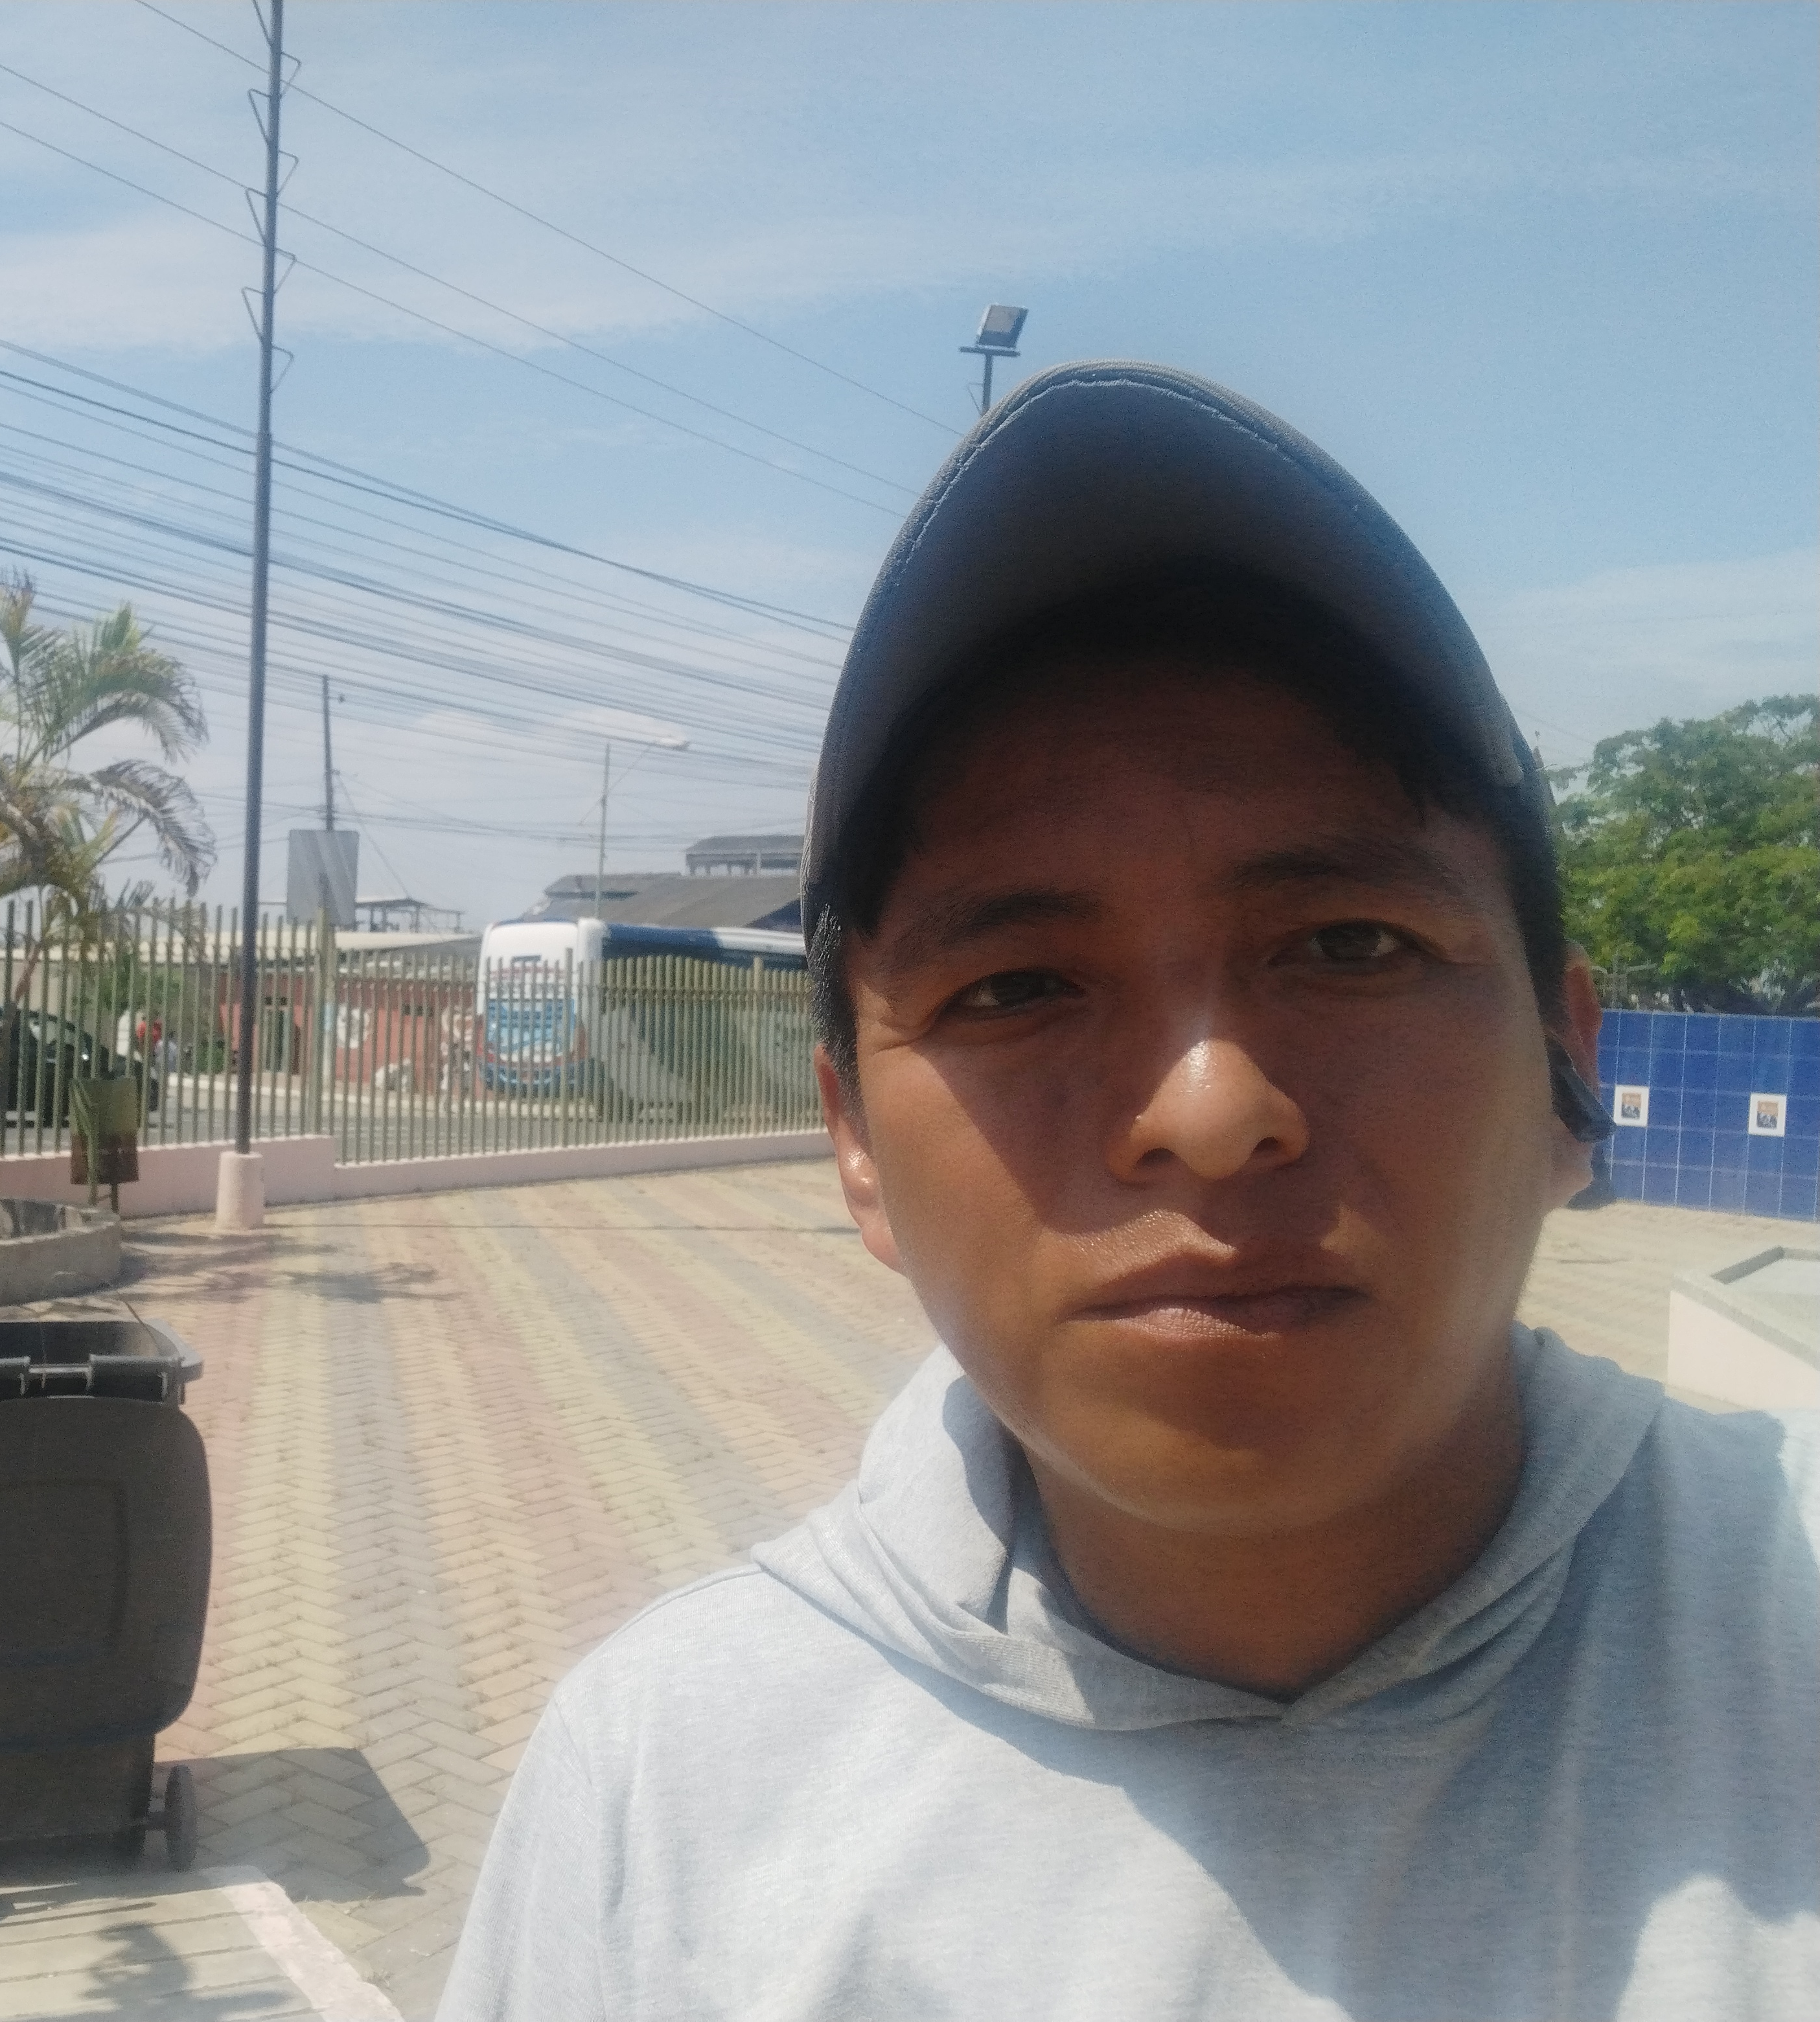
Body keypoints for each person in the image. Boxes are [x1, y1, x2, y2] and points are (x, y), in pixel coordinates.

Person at [438, 364, 1819, 2020]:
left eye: (1350, 945)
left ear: (1565, 1069)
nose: (1212, 1114)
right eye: (1016, 987)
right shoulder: (661, 1794)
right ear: (854, 1143)